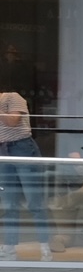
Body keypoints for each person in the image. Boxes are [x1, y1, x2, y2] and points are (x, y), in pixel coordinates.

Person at [0, 91, 51, 262]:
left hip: (22, 147)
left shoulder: (12, 97)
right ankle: (9, 247)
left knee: (34, 201)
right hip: (3, 151)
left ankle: (45, 246)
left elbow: (13, 121)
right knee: (8, 202)